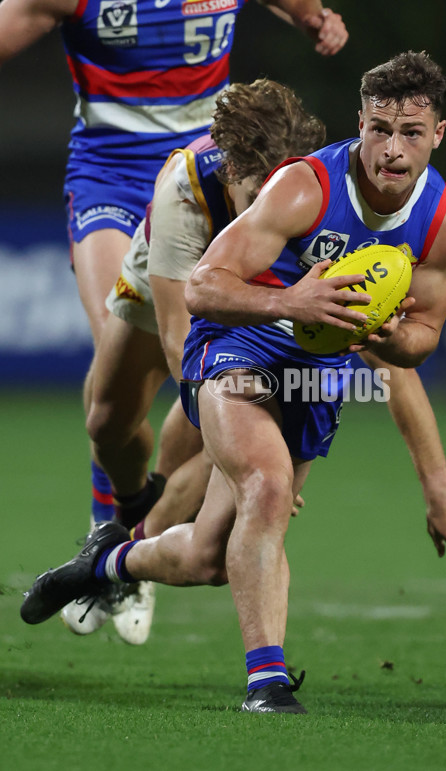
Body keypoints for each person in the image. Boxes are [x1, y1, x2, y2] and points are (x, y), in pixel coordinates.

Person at [21, 52, 446, 714]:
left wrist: (387, 337)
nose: (392, 147)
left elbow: (423, 337)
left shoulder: (443, 220)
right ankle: (266, 682)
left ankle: (106, 564)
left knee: (210, 558)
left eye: (411, 132)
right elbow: (206, 286)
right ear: (359, 124)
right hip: (237, 340)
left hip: (316, 375)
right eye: (379, 128)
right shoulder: (305, 187)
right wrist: (291, 304)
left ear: (439, 134)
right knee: (263, 485)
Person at [0, 0, 348, 524]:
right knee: (116, 363)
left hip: (219, 171)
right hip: (111, 174)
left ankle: (133, 533)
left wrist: (312, 15)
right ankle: (125, 505)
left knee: (206, 358)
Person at [61, 77, 327, 642]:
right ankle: (122, 514)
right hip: (170, 273)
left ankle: (134, 556)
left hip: (258, 302)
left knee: (223, 437)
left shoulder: (312, 185)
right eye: (255, 196)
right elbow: (182, 341)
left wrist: (253, 451)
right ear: (231, 173)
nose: (267, 209)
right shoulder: (185, 185)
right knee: (106, 421)